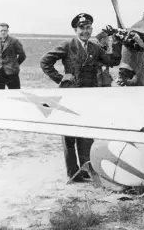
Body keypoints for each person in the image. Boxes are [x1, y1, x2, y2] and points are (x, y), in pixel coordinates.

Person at [40, 13, 122, 182]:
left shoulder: (94, 48)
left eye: (88, 28)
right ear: (76, 30)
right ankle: (74, 173)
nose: (86, 31)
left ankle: (87, 169)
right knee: (69, 135)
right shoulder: (67, 45)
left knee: (86, 132)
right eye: (82, 28)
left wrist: (117, 42)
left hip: (88, 96)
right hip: (70, 94)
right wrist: (60, 77)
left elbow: (112, 61)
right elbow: (45, 62)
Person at [0, 22, 26, 89]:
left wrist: (15, 64)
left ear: (8, 31)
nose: (3, 32)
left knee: (15, 92)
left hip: (11, 71)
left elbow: (22, 55)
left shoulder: (14, 41)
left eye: (5, 30)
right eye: (1, 30)